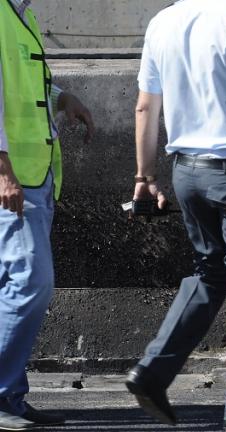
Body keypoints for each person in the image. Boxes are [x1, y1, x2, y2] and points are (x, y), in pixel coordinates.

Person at [124, 1, 226, 431]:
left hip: (186, 172)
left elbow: (145, 106)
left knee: (209, 273)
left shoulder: (162, 21)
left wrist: (144, 176)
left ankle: (152, 370)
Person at [0, 1, 95, 430]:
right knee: (31, 283)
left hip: (35, 174)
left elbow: (20, 84)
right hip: (15, 177)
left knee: (11, 285)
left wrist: (61, 98)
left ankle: (12, 397)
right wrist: (3, 173)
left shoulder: (21, 13)